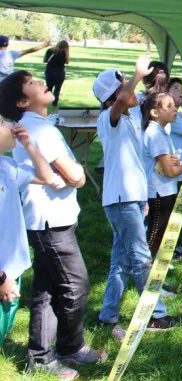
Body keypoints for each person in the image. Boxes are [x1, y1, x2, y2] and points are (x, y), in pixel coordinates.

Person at [0, 78, 102, 380]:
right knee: (76, 285)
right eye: (32, 82)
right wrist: (74, 174)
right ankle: (71, 346)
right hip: (50, 222)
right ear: (22, 102)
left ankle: (41, 357)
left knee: (46, 290)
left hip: (47, 219)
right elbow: (76, 176)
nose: (43, 81)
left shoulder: (34, 131)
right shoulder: (42, 128)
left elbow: (58, 175)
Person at [93, 56, 181, 341]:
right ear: (112, 98)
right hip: (120, 200)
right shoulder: (110, 118)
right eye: (124, 88)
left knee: (121, 260)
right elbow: (120, 101)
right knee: (142, 258)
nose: (131, 92)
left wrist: (142, 198)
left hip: (130, 199)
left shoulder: (130, 118)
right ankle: (156, 315)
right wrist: (135, 74)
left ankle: (108, 313)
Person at [141, 92, 182, 257]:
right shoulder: (155, 134)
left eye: (174, 106)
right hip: (158, 192)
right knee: (155, 235)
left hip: (163, 190)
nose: (175, 109)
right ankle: (149, 273)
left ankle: (156, 272)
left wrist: (177, 164)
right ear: (155, 113)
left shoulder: (160, 132)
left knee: (160, 233)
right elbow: (169, 170)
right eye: (169, 106)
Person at [43, 41, 70, 113]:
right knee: (57, 91)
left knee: (48, 90)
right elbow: (66, 62)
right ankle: (53, 110)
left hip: (49, 73)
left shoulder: (50, 50)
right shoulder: (64, 52)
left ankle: (43, 106)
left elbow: (45, 60)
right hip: (59, 74)